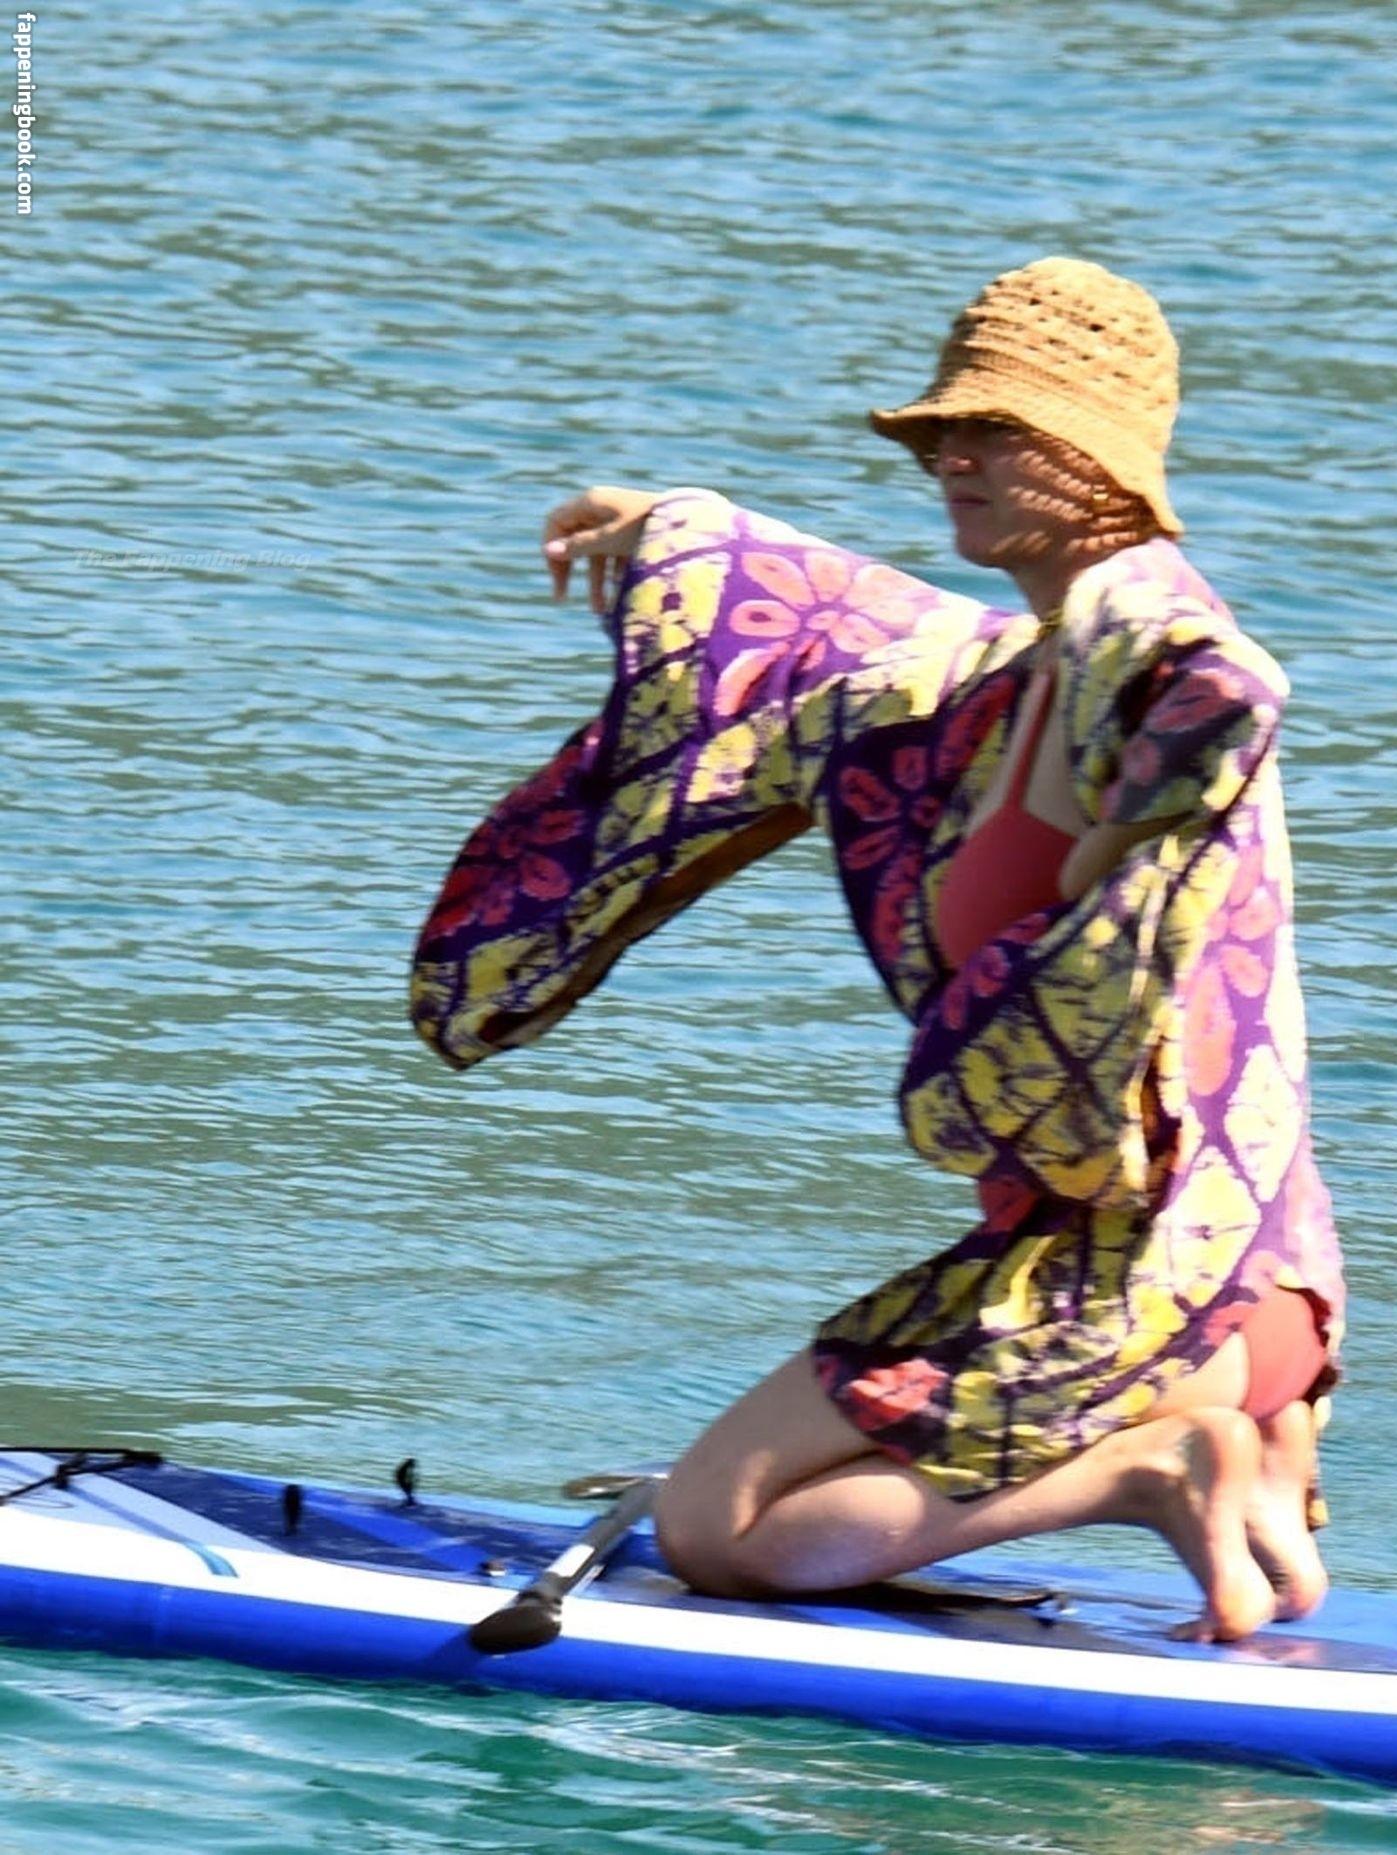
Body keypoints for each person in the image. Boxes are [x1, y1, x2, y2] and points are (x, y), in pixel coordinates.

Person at [411, 258, 1345, 1641]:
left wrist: (1135, 824)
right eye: (943, 434)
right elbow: (828, 630)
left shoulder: (1135, 640)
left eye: (1001, 433)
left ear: (1099, 454)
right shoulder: (1001, 674)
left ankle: (1154, 1472)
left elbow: (1227, 680)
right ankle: (1242, 1474)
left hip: (1150, 1289)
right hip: (1238, 1278)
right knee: (763, 1497)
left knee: (718, 1532)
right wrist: (666, 532)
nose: (955, 459)